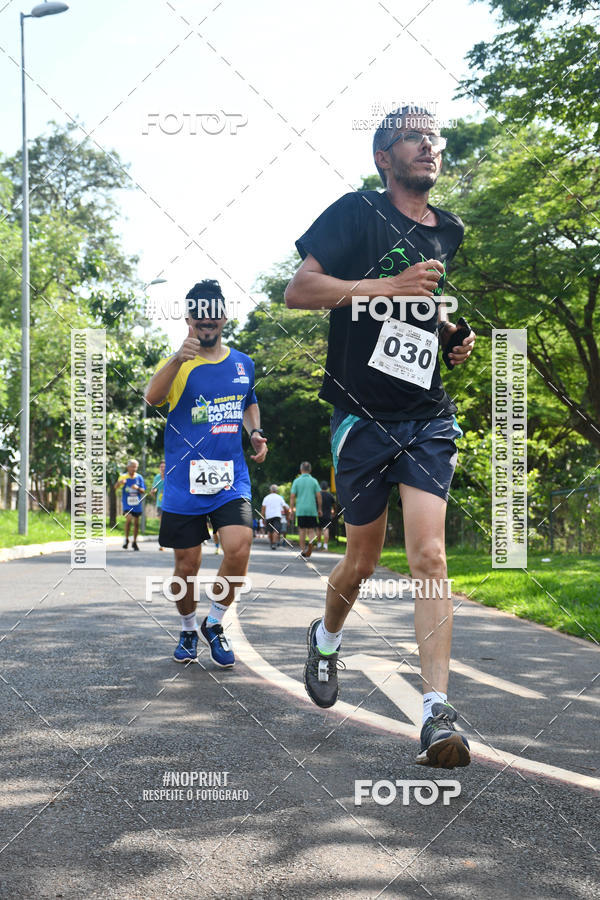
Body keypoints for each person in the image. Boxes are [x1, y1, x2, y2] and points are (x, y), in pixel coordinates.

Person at [285, 107, 476, 768]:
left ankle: (436, 711)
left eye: (434, 138)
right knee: (361, 561)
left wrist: (451, 334)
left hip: (427, 414)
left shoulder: (447, 230)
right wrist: (384, 288)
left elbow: (428, 299)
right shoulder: (354, 212)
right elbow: (300, 289)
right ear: (383, 158)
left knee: (429, 554)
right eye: (412, 139)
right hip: (362, 415)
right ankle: (327, 634)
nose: (429, 147)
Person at [145, 279, 267, 668]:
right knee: (187, 564)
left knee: (239, 547)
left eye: (213, 312)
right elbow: (152, 397)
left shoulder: (242, 362)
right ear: (188, 319)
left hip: (230, 477)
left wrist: (255, 433)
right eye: (198, 313)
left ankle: (213, 622)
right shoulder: (179, 363)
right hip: (184, 481)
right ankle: (185, 628)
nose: (206, 320)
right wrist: (178, 359)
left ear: (224, 317)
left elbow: (248, 402)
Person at [289, 462, 322, 558]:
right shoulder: (314, 481)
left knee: (302, 530)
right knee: (311, 530)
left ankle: (303, 550)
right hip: (312, 510)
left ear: (301, 470)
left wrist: (291, 510)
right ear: (310, 470)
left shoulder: (297, 481)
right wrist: (319, 509)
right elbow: (319, 495)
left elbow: (292, 496)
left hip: (301, 510)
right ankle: (311, 544)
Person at [115, 459, 145, 550]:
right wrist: (120, 483)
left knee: (136, 523)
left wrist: (138, 488)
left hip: (136, 503)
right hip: (127, 503)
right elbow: (115, 487)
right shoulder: (123, 476)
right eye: (132, 466)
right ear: (128, 467)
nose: (134, 468)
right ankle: (126, 539)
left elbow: (143, 490)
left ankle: (134, 542)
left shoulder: (139, 477)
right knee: (128, 518)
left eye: (135, 467)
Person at [261, 484, 290, 550]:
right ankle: (273, 543)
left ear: (270, 490)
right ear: (277, 490)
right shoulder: (280, 498)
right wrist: (287, 515)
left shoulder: (266, 498)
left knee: (270, 531)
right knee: (276, 530)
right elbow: (285, 507)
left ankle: (272, 543)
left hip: (269, 516)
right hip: (277, 516)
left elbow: (263, 509)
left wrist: (262, 518)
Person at [150, 460, 166, 550]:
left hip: (171, 504)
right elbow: (154, 488)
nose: (163, 468)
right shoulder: (157, 477)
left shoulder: (170, 476)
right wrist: (153, 491)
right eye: (161, 467)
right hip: (160, 503)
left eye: (164, 467)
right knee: (162, 524)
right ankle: (162, 544)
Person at [316, 480, 335, 551]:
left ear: (320, 487)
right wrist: (333, 512)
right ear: (327, 487)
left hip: (318, 514)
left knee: (318, 529)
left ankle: (318, 545)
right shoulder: (330, 495)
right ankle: (325, 546)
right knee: (326, 529)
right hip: (327, 515)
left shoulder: (318, 495)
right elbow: (334, 505)